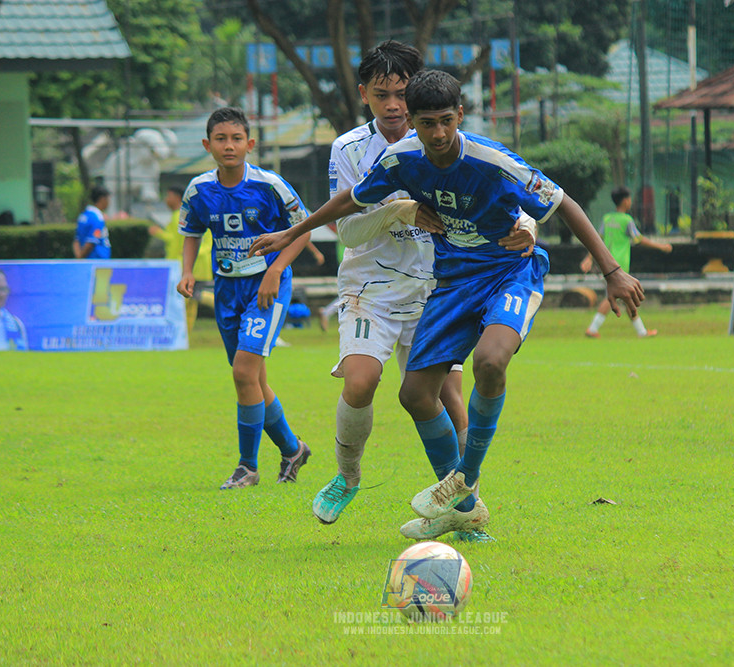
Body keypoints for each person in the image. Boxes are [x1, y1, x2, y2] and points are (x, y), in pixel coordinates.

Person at [250, 70, 644, 539]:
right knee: (415, 395)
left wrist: (612, 271)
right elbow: (349, 203)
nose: (437, 133)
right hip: (452, 281)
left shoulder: (493, 160)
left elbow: (564, 204)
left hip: (509, 271)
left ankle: (462, 483)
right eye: (426, 123)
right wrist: (291, 232)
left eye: (445, 121)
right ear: (412, 123)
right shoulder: (401, 161)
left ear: (460, 115)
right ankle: (458, 507)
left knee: (491, 361)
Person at [309, 41, 486, 530]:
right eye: (382, 94)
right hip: (371, 288)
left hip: (436, 290)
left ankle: (465, 509)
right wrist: (401, 209)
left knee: (451, 400)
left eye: (402, 94)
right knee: (361, 381)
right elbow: (346, 231)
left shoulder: (445, 143)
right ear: (364, 94)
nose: (393, 106)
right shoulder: (348, 149)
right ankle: (347, 476)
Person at [177, 106, 313, 490]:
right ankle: (293, 449)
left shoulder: (270, 186)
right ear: (208, 145)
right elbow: (192, 231)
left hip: (266, 288)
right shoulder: (199, 190)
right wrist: (188, 272)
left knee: (242, 373)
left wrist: (274, 270)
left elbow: (303, 231)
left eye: (236, 138)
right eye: (221, 139)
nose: (229, 145)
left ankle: (247, 467)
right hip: (226, 289)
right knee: (252, 379)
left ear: (250, 144)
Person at [582, 186, 672, 339]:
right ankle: (592, 328)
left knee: (626, 297)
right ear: (625, 201)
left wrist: (589, 258)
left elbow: (597, 239)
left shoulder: (607, 218)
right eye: (629, 199)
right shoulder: (627, 220)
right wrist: (661, 246)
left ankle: (641, 331)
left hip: (606, 262)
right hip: (619, 265)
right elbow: (638, 239)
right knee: (615, 297)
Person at [149, 186, 214, 333]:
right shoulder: (195, 215)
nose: (166, 200)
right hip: (192, 265)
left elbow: (175, 241)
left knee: (188, 297)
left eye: (168, 196)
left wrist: (158, 233)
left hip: (184, 266)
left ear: (177, 197)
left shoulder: (181, 216)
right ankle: (185, 334)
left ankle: (226, 306)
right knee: (190, 301)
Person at [73, 186, 112, 259]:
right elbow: (91, 241)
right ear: (102, 199)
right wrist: (80, 258)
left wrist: (78, 257)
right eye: (108, 199)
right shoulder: (97, 218)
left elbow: (76, 240)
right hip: (97, 261)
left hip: (87, 261)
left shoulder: (83, 216)